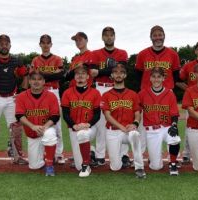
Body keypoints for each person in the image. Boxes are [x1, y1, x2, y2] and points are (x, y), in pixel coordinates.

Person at [135, 25, 181, 154]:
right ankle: (140, 155)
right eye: (155, 35)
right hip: (146, 94)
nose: (157, 37)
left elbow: (176, 75)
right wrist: (142, 91)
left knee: (168, 125)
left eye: (160, 34)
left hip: (167, 93)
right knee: (143, 127)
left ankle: (171, 157)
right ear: (151, 37)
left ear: (164, 36)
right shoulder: (142, 54)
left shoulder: (173, 54)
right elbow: (138, 74)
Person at [90, 26, 129, 166]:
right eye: (106, 35)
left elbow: (122, 70)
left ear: (114, 36)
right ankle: (100, 155)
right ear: (102, 37)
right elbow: (92, 73)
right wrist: (110, 69)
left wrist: (101, 71)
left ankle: (123, 154)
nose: (108, 37)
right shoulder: (95, 53)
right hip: (101, 88)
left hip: (117, 87)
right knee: (101, 122)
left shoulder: (122, 53)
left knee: (123, 118)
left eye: (111, 35)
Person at [101, 62, 146, 178]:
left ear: (125, 75)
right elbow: (107, 115)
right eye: (115, 72)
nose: (118, 75)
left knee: (135, 134)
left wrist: (135, 123)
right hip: (113, 131)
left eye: (121, 72)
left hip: (128, 129)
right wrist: (122, 127)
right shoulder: (106, 95)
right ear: (112, 76)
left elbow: (137, 113)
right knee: (115, 167)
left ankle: (139, 168)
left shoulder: (133, 94)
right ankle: (121, 157)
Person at [0, 34, 28, 167]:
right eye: (1, 43)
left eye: (6, 43)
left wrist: (21, 93)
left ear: (10, 45)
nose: (4, 45)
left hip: (12, 97)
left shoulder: (17, 60)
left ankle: (18, 156)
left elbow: (26, 75)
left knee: (16, 128)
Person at [15, 71, 60, 176]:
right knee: (34, 166)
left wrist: (44, 127)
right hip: (32, 133)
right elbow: (19, 115)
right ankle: (47, 155)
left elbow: (55, 116)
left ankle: (49, 164)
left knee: (50, 134)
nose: (36, 81)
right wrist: (33, 126)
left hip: (46, 128)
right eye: (33, 79)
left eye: (39, 79)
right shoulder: (21, 96)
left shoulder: (51, 96)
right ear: (29, 81)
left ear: (44, 82)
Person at [139, 67, 181, 175]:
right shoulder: (143, 93)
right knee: (156, 167)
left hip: (166, 127)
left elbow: (174, 113)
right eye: (153, 76)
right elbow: (136, 110)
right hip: (151, 130)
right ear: (150, 78)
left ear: (163, 78)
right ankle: (154, 158)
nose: (156, 79)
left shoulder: (170, 93)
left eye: (159, 77)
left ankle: (172, 163)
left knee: (174, 138)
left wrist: (174, 124)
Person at [61, 64, 101, 177]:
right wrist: (73, 125)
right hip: (74, 128)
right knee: (77, 166)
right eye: (78, 74)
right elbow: (65, 113)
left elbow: (98, 114)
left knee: (83, 134)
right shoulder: (67, 92)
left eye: (83, 73)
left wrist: (88, 124)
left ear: (88, 77)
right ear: (74, 77)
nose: (80, 76)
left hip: (90, 128)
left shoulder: (95, 92)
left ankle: (86, 165)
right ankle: (90, 150)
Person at [31, 34, 65, 164]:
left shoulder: (57, 59)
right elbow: (33, 77)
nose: (45, 45)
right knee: (39, 120)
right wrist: (52, 75)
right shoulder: (35, 60)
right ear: (40, 44)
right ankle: (43, 152)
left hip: (53, 92)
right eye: (43, 43)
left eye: (48, 43)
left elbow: (60, 75)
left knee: (57, 123)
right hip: (39, 92)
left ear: (51, 44)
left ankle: (59, 153)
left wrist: (41, 76)